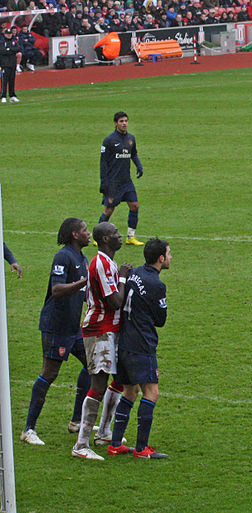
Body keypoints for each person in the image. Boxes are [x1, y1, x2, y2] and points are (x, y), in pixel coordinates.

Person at [20, 218, 92, 446]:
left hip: (74, 328)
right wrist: (82, 283)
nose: (88, 233)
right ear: (74, 235)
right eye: (84, 230)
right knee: (50, 373)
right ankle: (28, 429)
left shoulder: (82, 257)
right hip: (56, 327)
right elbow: (57, 289)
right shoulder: (64, 256)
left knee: (92, 365)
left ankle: (76, 422)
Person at [72, 222, 132, 460]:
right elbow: (115, 301)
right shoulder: (101, 264)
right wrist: (125, 279)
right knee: (98, 384)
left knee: (118, 380)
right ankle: (81, 444)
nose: (120, 237)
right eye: (116, 234)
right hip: (100, 329)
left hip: (111, 329)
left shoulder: (108, 262)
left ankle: (105, 432)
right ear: (105, 239)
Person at [108, 238, 171, 459]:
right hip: (142, 344)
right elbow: (160, 320)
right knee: (151, 393)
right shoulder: (157, 284)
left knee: (130, 391)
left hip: (123, 342)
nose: (170, 257)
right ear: (161, 258)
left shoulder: (133, 273)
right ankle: (142, 449)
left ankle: (115, 444)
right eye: (169, 254)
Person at [99, 111, 145, 246]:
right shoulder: (109, 140)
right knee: (109, 210)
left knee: (135, 206)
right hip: (113, 183)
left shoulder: (131, 138)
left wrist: (139, 165)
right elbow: (103, 163)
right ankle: (98, 236)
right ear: (115, 123)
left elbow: (133, 154)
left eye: (126, 121)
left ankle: (130, 237)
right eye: (121, 121)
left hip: (126, 181)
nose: (124, 123)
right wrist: (104, 183)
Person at [1, 26, 21, 103]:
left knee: (12, 80)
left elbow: (18, 49)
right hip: (5, 64)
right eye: (7, 34)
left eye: (10, 34)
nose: (9, 35)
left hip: (13, 63)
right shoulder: (2, 42)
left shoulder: (14, 41)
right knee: (4, 81)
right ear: (5, 34)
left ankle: (12, 95)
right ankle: (3, 96)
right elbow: (2, 51)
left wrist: (9, 50)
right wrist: (11, 50)